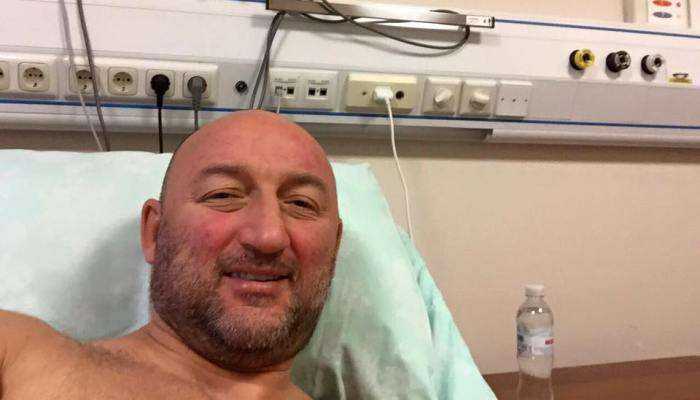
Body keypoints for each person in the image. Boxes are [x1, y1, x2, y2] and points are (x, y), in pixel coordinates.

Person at [0, 110, 343, 400]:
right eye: (223, 195)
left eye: (301, 203)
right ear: (154, 232)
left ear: (336, 247)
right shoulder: (18, 356)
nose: (268, 236)